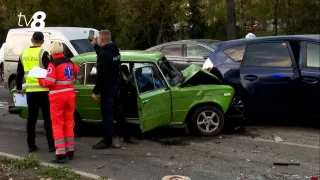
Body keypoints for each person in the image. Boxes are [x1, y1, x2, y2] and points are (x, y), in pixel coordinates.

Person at [91, 30, 134, 150]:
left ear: (102, 40)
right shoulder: (114, 49)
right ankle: (127, 134)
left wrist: (96, 91)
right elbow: (104, 53)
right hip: (115, 85)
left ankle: (107, 140)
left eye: (98, 39)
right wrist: (95, 47)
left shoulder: (104, 55)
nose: (97, 40)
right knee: (117, 111)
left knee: (107, 115)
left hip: (107, 87)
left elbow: (101, 75)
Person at [38, 42, 79, 163]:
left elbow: (50, 82)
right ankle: (70, 150)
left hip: (57, 97)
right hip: (70, 95)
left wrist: (41, 80)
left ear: (52, 51)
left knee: (57, 124)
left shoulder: (53, 64)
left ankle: (61, 153)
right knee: (68, 123)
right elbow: (77, 70)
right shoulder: (69, 61)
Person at [16, 32, 54, 153]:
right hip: (43, 90)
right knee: (48, 118)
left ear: (32, 40)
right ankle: (51, 145)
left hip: (31, 90)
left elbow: (19, 73)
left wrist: (18, 87)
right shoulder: (43, 53)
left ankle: (31, 145)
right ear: (42, 41)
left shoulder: (23, 54)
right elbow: (50, 70)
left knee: (31, 118)